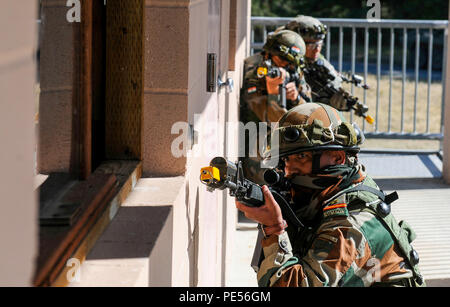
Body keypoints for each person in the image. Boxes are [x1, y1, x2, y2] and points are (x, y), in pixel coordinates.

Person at [235, 102, 425, 287]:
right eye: (286, 159)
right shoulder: (334, 190)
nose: (288, 170)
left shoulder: (351, 225)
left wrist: (275, 228)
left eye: (301, 157)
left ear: (337, 157)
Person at [240, 29, 311, 184]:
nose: (284, 65)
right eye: (282, 59)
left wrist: (295, 98)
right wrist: (273, 93)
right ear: (269, 53)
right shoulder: (255, 70)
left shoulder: (293, 70)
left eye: (290, 62)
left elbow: (309, 112)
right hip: (258, 138)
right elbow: (274, 120)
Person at [278, 15, 356, 113]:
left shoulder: (316, 60)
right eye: (311, 45)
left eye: (319, 44)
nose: (317, 50)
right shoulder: (280, 61)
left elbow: (332, 84)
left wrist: (334, 102)